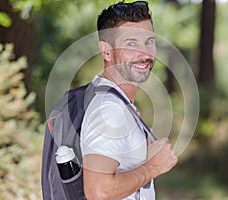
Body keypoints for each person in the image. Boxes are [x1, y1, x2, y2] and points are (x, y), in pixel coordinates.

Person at [80, 1, 178, 200]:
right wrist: (153, 167)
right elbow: (98, 191)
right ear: (106, 51)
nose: (145, 54)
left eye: (149, 42)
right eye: (131, 43)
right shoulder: (109, 110)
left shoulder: (122, 105)